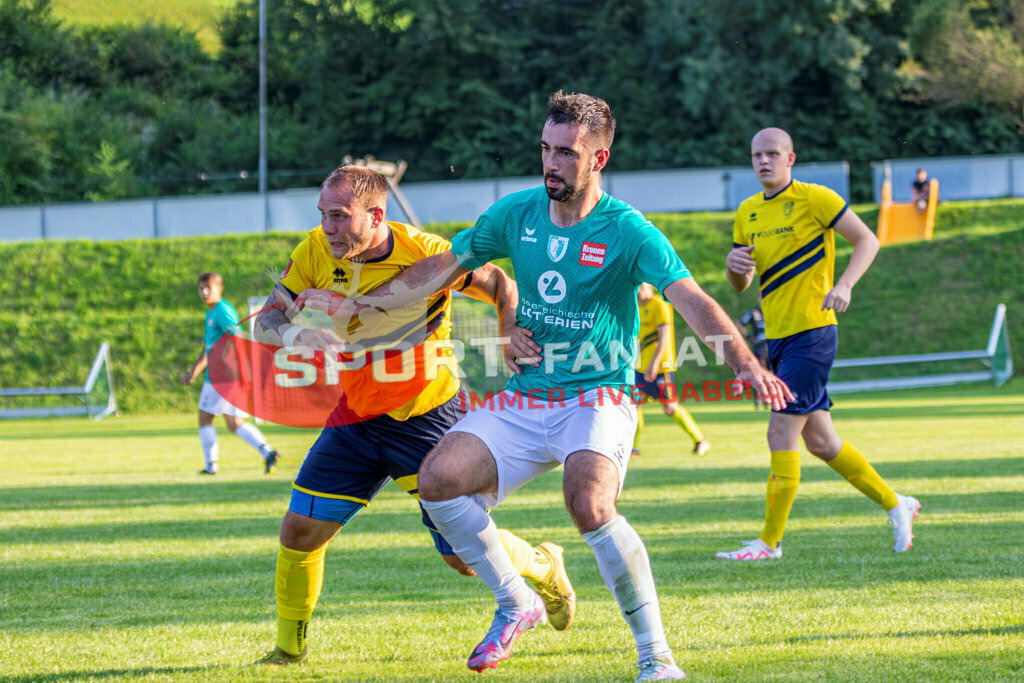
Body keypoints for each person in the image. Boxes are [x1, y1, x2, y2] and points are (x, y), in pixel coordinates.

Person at [295, 92, 792, 680]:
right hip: (528, 394)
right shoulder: (515, 214)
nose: (551, 163)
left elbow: (693, 301)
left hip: (598, 395)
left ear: (598, 159)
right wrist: (363, 305)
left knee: (589, 503)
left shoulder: (629, 231)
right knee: (439, 481)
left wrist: (745, 364)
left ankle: (656, 657)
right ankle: (517, 601)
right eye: (545, 149)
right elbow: (439, 269)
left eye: (566, 153)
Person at [252, 165, 576, 665]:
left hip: (429, 417)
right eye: (322, 215)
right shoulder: (315, 250)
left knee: (461, 558)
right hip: (357, 418)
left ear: (376, 215)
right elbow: (268, 320)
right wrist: (297, 333)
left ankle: (543, 565)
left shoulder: (426, 252)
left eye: (339, 216)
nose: (327, 228)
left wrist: (509, 329)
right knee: (299, 531)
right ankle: (287, 652)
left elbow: (500, 283)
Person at [718, 127, 921, 562]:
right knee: (822, 443)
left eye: (773, 153)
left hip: (813, 333)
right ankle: (896, 504)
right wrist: (734, 267)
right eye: (757, 155)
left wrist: (845, 284)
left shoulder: (815, 199)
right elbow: (740, 284)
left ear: (790, 158)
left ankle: (768, 544)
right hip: (777, 339)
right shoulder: (747, 212)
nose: (764, 161)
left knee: (779, 429)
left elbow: (868, 239)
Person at [180, 272, 279, 475]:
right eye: (201, 288)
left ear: (219, 289)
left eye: (209, 288)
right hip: (225, 376)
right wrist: (194, 372)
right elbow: (208, 347)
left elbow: (238, 341)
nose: (204, 292)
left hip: (222, 377)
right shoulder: (211, 312)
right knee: (234, 423)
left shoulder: (223, 311)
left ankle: (211, 466)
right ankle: (268, 452)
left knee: (205, 418)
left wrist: (243, 372)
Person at [631, 282, 710, 457]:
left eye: (642, 286)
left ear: (650, 287)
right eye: (637, 287)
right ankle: (633, 448)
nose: (639, 291)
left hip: (660, 367)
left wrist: (654, 364)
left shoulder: (660, 305)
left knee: (670, 408)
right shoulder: (637, 308)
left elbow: (664, 337)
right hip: (640, 367)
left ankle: (700, 441)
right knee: (634, 405)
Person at [738, 300, 769, 409]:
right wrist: (749, 336)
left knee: (774, 373)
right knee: (759, 374)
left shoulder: (773, 309)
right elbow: (740, 324)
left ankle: (771, 399)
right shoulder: (753, 312)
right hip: (759, 347)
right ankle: (758, 400)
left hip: (773, 345)